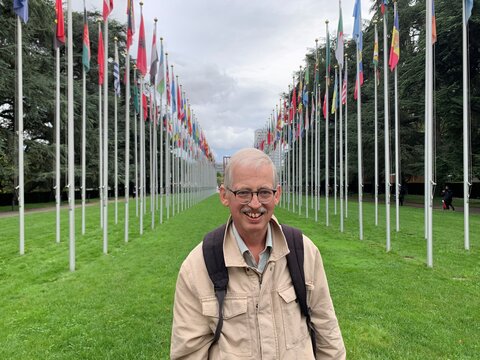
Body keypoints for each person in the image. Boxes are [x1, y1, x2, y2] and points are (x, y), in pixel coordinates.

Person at [170, 148, 346, 359]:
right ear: (225, 196)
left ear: (277, 195)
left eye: (264, 192)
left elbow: (327, 331)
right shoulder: (197, 266)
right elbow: (188, 353)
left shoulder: (303, 251)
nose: (254, 204)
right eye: (243, 192)